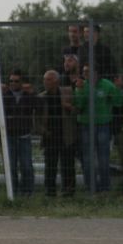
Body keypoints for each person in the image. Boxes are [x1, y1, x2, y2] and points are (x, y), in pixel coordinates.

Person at [73, 63, 123, 193]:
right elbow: (79, 105)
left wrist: (118, 89)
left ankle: (105, 187)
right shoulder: (82, 85)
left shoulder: (107, 85)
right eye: (84, 71)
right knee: (87, 158)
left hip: (103, 126)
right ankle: (90, 187)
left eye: (87, 71)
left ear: (96, 73)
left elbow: (118, 103)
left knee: (103, 157)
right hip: (86, 126)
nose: (84, 74)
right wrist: (80, 90)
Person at [34, 69, 77, 198]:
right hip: (50, 137)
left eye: (49, 79)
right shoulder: (41, 98)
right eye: (44, 79)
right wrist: (44, 132)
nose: (45, 82)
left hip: (66, 135)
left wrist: (70, 108)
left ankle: (68, 191)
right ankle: (50, 192)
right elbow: (36, 120)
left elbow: (79, 109)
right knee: (50, 166)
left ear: (56, 81)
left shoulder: (68, 92)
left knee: (68, 165)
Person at [2, 69, 38, 196]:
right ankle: (13, 191)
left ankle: (27, 191)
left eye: (16, 81)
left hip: (24, 135)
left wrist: (33, 93)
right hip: (9, 135)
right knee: (11, 166)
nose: (13, 83)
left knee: (26, 165)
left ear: (22, 82)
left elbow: (40, 106)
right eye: (11, 81)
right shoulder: (5, 95)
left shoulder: (28, 95)